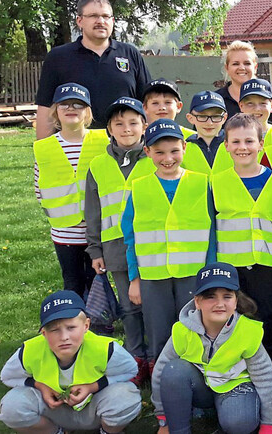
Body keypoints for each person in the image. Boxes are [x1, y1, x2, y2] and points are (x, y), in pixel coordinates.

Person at [121, 119, 217, 369]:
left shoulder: (200, 183)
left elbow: (212, 233)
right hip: (153, 275)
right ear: (147, 152)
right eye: (159, 152)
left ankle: (194, 375)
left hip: (192, 273)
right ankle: (159, 381)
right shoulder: (139, 188)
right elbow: (130, 236)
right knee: (158, 330)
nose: (168, 158)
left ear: (184, 148)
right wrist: (135, 278)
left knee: (193, 326)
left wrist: (210, 274)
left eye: (174, 150)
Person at [151, 262, 272, 434]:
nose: (220, 303)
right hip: (200, 387)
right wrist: (162, 417)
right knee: (173, 370)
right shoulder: (182, 329)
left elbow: (265, 378)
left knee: (239, 423)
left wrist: (269, 424)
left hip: (235, 386)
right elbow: (160, 371)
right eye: (210, 297)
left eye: (227, 297)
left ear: (235, 302)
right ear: (197, 302)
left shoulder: (248, 331)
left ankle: (227, 411)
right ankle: (179, 428)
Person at [211, 113, 272, 377]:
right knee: (233, 318)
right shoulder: (216, 183)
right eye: (235, 142)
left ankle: (270, 372)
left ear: (261, 144)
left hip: (268, 265)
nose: (242, 147)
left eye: (248, 141)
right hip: (231, 266)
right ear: (226, 146)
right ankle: (235, 370)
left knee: (266, 318)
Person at [0, 290, 141, 434]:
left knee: (126, 397)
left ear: (86, 326)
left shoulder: (105, 348)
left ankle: (107, 431)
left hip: (95, 408)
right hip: (53, 411)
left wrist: (92, 387)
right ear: (44, 333)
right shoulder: (30, 350)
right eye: (54, 330)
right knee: (12, 406)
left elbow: (130, 371)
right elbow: (7, 377)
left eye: (71, 328)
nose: (64, 337)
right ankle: (54, 432)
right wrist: (41, 386)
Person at [85, 97, 155, 384]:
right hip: (115, 247)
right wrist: (94, 249)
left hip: (152, 244)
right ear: (109, 130)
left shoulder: (155, 159)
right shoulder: (98, 165)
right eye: (119, 124)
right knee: (129, 305)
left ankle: (156, 355)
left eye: (133, 123)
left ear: (144, 126)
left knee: (154, 302)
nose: (126, 129)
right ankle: (136, 355)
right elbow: (93, 210)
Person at [35, 0, 151, 138]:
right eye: (93, 16)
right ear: (79, 20)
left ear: (113, 21)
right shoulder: (58, 57)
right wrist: (42, 152)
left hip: (124, 145)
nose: (101, 21)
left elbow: (147, 105)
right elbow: (46, 108)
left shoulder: (130, 54)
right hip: (76, 147)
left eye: (106, 16)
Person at [34, 83, 108, 298]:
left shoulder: (103, 141)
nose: (71, 108)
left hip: (98, 230)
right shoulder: (44, 147)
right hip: (64, 231)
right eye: (64, 104)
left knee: (97, 280)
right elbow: (39, 187)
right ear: (55, 110)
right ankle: (75, 320)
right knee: (72, 281)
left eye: (78, 104)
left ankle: (97, 319)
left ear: (88, 112)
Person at [216, 40, 272, 123]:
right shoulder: (216, 100)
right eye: (235, 64)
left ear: (255, 67)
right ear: (227, 68)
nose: (242, 68)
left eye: (247, 63)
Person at [181, 90, 232, 176]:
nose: (209, 123)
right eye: (202, 116)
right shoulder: (183, 148)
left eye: (216, 117)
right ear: (190, 118)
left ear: (224, 118)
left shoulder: (235, 144)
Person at [239, 78, 272, 147]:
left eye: (263, 103)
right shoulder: (232, 137)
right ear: (241, 106)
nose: (257, 109)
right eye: (250, 103)